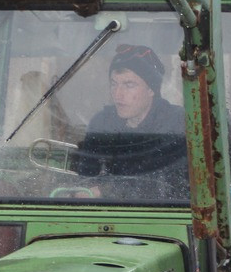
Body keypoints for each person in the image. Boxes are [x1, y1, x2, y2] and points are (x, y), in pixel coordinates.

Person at [76, 46, 185, 187]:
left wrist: (109, 192)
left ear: (151, 89)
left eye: (129, 85)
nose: (118, 94)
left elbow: (174, 187)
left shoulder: (176, 124)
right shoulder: (101, 124)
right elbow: (84, 180)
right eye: (114, 84)